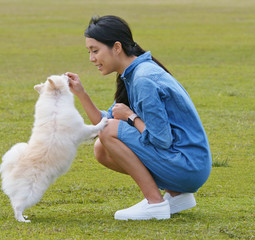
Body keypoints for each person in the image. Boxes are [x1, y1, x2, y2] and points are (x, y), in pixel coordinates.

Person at [66, 15, 212, 220]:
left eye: (95, 51)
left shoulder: (143, 79)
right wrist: (81, 93)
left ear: (116, 47)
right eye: (89, 52)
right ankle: (177, 195)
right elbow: (104, 122)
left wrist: (131, 117)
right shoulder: (133, 73)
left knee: (108, 133)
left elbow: (161, 140)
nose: (91, 58)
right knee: (101, 147)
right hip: (189, 166)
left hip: (188, 165)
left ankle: (154, 203)